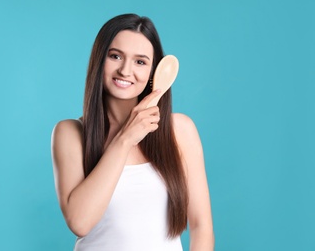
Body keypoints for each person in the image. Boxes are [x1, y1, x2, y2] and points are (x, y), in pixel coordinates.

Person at [51, 13, 214, 251]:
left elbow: (201, 226)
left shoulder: (179, 130)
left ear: (153, 72)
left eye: (140, 61)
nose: (126, 71)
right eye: (115, 56)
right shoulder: (71, 133)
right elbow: (80, 222)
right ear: (99, 60)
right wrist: (126, 138)